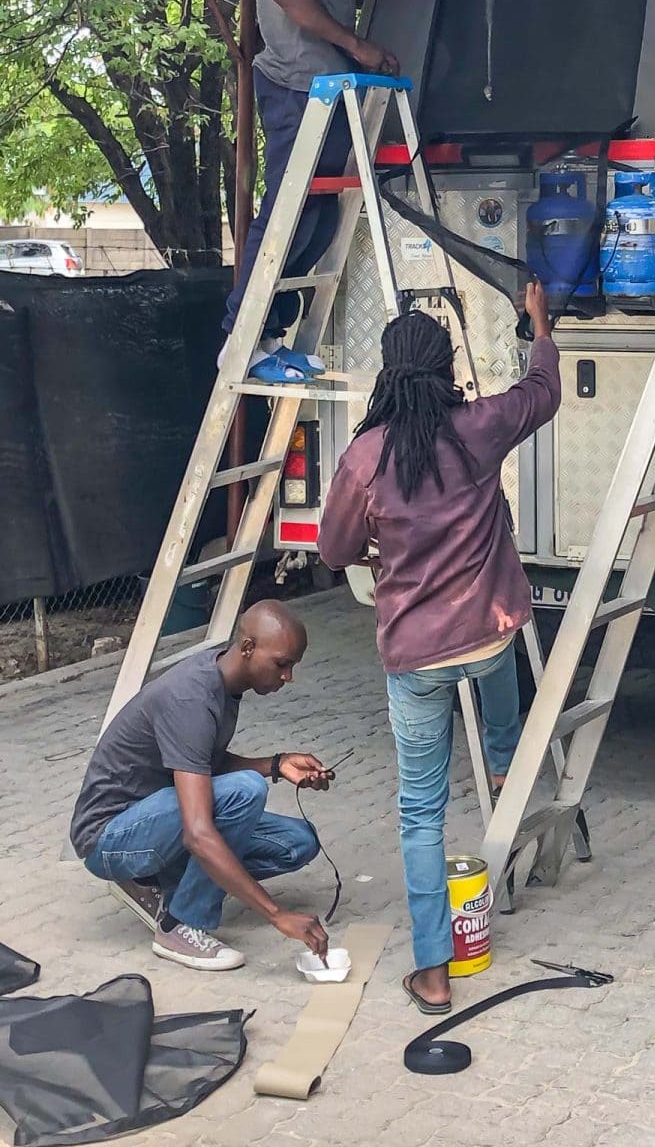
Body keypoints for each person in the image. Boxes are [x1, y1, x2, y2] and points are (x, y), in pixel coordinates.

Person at [318, 281, 560, 1015]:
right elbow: (542, 391)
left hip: (416, 657)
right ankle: (503, 757)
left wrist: (375, 548)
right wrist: (540, 326)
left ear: (388, 374)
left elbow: (332, 552)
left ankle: (432, 970)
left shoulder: (365, 456)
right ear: (448, 366)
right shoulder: (479, 427)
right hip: (490, 634)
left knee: (420, 813)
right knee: (501, 696)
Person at [220, 0, 420, 384]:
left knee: (316, 217)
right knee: (287, 211)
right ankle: (242, 335)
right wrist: (356, 48)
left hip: (322, 88)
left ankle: (268, 337)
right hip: (300, 88)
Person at [71, 600, 334, 973]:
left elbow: (200, 762)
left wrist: (276, 765)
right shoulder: (191, 697)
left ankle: (156, 879)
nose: (288, 676)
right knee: (244, 791)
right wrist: (276, 914)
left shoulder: (222, 678)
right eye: (282, 664)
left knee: (299, 841)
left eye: (292, 666)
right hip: (109, 838)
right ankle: (179, 924)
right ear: (247, 648)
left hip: (161, 817)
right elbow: (197, 832)